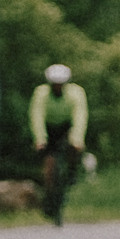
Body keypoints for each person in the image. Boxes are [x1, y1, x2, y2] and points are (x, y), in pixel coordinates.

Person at [32, 64, 90, 221]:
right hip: (49, 129)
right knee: (49, 164)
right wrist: (40, 139)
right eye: (55, 84)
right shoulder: (41, 93)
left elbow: (80, 116)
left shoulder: (76, 93)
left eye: (61, 84)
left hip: (66, 127)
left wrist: (77, 139)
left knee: (74, 147)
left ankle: (72, 170)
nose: (58, 87)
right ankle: (50, 196)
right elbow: (37, 116)